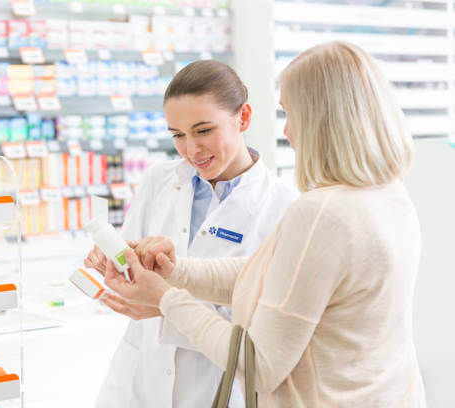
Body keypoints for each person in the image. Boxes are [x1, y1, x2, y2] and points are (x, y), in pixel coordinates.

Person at [104, 41, 427, 406]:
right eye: (178, 135)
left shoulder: (320, 213)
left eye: (290, 114)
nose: (287, 131)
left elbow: (261, 363)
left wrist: (167, 299)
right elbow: (270, 275)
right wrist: (177, 271)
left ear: (320, 118)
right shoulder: (389, 196)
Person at [84, 60, 297, 408]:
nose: (191, 150)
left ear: (243, 117)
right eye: (178, 135)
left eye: (203, 130)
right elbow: (131, 264)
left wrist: (165, 306)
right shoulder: (159, 180)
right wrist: (111, 259)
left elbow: (263, 327)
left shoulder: (283, 205)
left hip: (214, 383)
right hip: (138, 380)